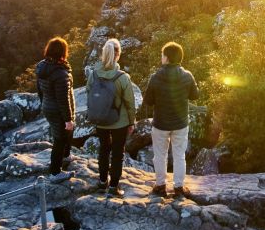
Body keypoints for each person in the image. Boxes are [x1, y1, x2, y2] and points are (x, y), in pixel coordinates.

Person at [142, 41, 199, 198]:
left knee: (160, 155)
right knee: (180, 155)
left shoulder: (155, 77)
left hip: (160, 123)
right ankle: (179, 187)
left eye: (162, 55)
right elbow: (195, 95)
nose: (161, 58)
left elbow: (147, 101)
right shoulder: (187, 76)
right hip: (180, 123)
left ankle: (160, 185)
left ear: (166, 58)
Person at [85, 37, 139, 197]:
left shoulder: (94, 74)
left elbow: (89, 92)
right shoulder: (122, 77)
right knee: (117, 153)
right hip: (119, 122)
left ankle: (102, 182)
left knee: (103, 149)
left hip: (100, 120)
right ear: (118, 55)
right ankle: (113, 187)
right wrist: (131, 122)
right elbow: (130, 102)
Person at [36, 36, 74, 183]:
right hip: (58, 110)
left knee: (62, 135)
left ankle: (65, 157)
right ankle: (55, 172)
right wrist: (68, 119)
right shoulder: (60, 74)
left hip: (48, 106)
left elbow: (39, 89)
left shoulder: (42, 66)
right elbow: (63, 100)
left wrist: (44, 103)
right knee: (60, 138)